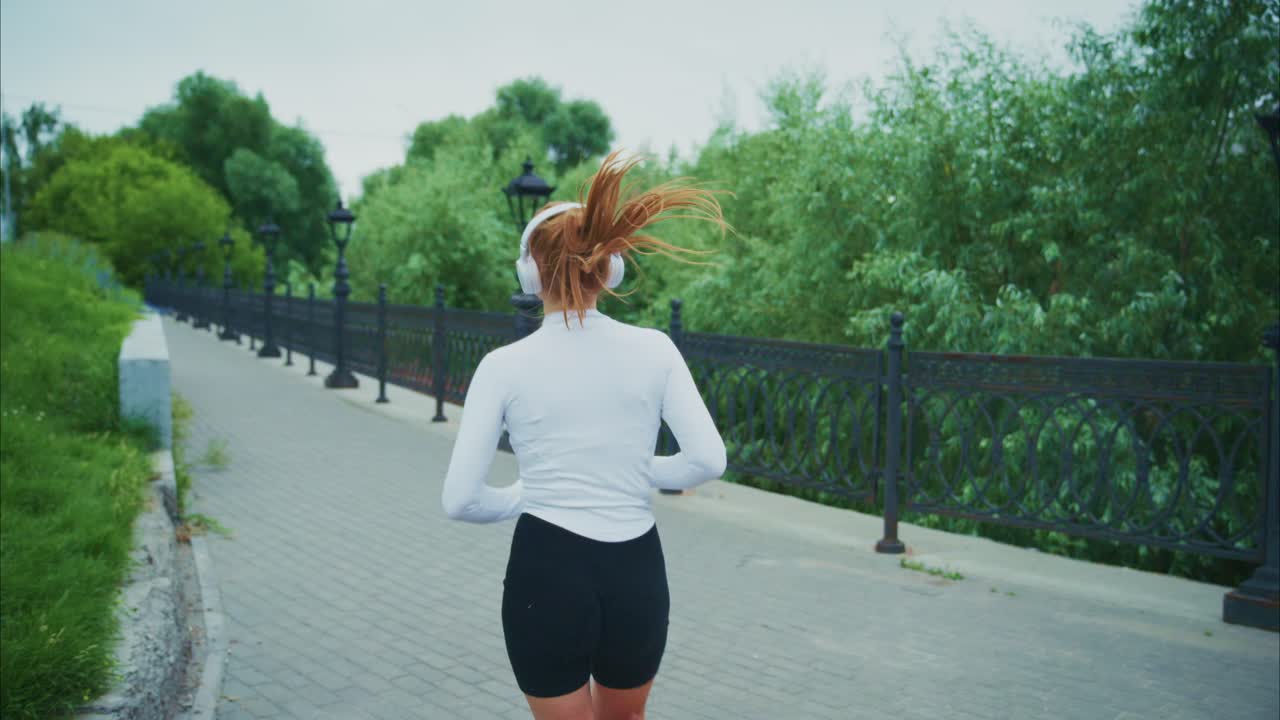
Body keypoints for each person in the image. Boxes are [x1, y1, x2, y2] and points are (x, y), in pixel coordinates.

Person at [441, 150, 730, 720]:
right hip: (636, 570)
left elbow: (462, 500)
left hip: (546, 570)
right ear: (610, 269)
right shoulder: (656, 349)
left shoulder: (503, 366)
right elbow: (707, 460)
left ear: (530, 273)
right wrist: (634, 470)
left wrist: (526, 493)